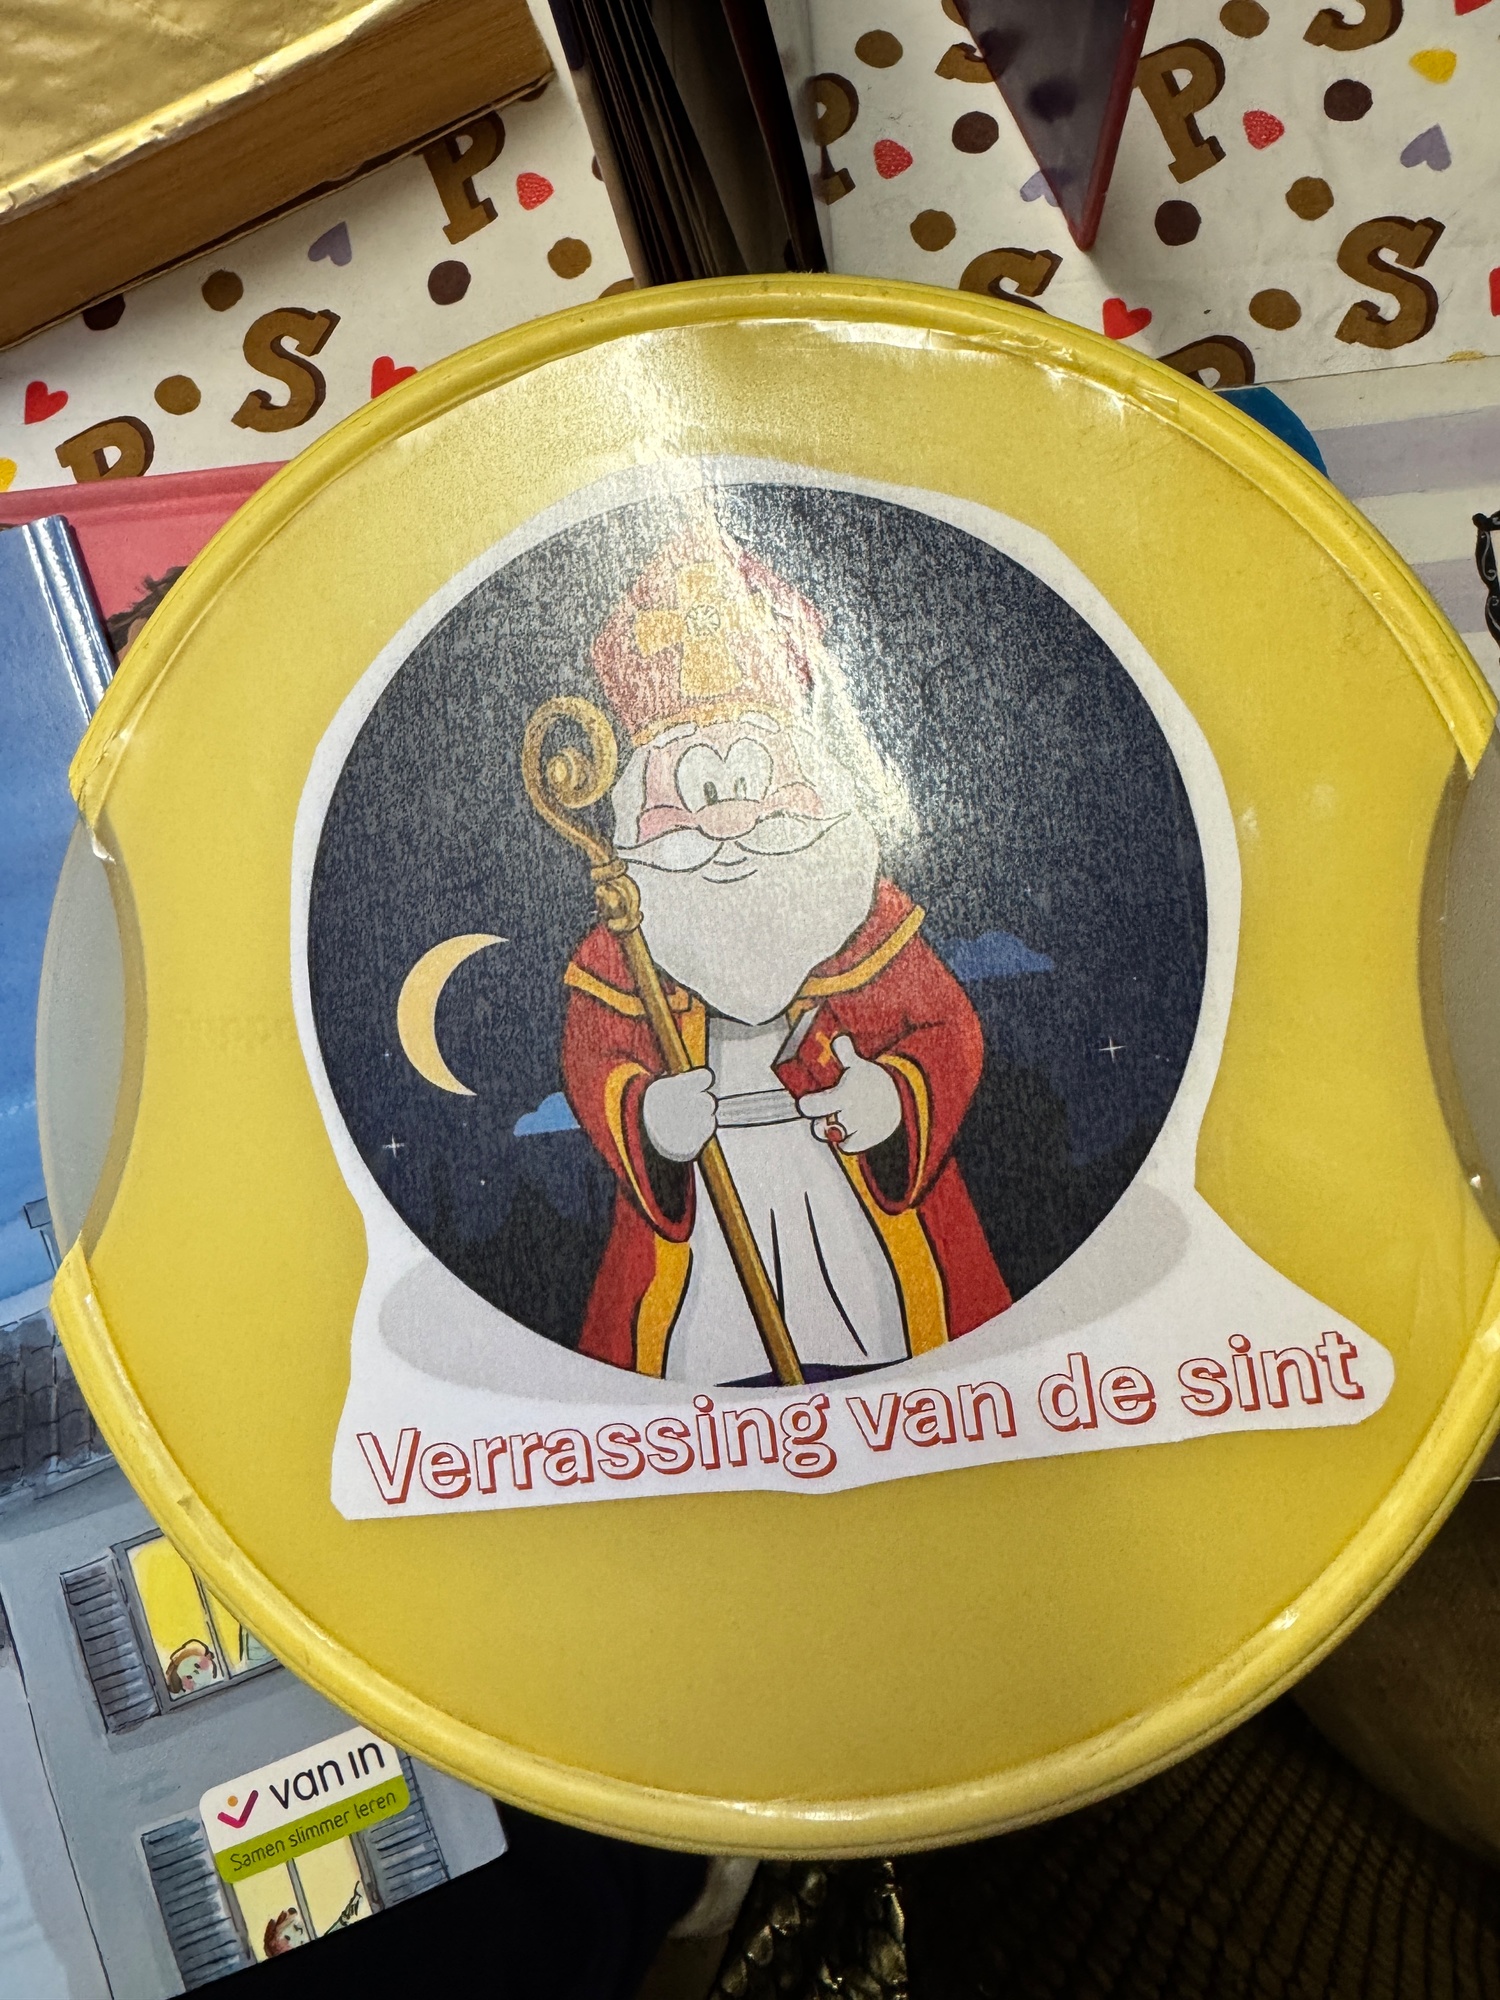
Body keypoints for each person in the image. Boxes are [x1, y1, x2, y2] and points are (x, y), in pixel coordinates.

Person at [561, 514, 1009, 1384]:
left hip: (850, 1190)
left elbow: (946, 1031)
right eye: (696, 790)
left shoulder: (864, 916)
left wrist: (889, 1099)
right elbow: (597, 1058)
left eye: (751, 782)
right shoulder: (626, 945)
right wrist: (650, 1121)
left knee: (893, 1347)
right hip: (705, 1212)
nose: (728, 823)